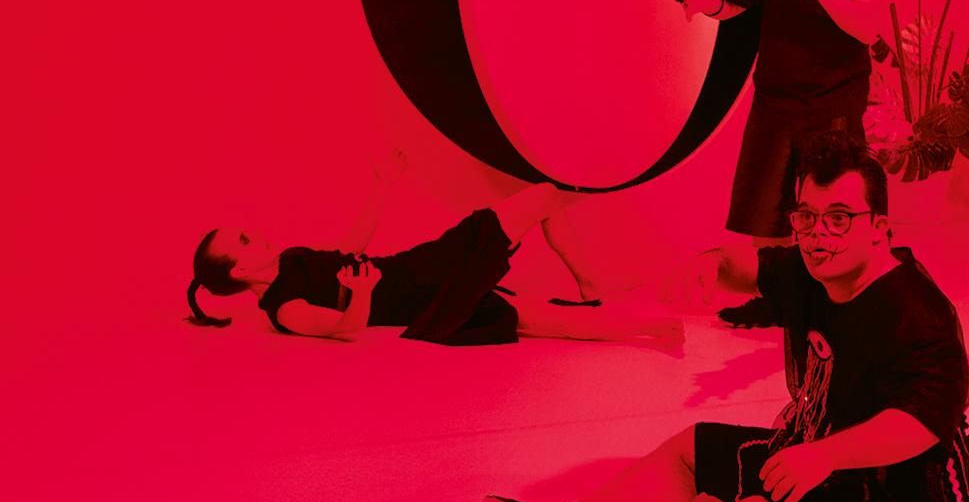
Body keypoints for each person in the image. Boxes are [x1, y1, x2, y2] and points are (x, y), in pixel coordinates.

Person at [479, 144, 969, 502]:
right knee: (693, 449)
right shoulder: (813, 266)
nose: (819, 235)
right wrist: (708, 264)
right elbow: (747, 266)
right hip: (822, 455)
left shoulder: (916, 313)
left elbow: (921, 423)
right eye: (807, 217)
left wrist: (824, 455)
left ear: (879, 229)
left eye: (840, 218)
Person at [184, 151, 680, 345]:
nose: (255, 234)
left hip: (422, 266)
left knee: (543, 197)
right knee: (540, 320)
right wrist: (363, 294)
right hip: (425, 302)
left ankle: (592, 284)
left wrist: (382, 184)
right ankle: (654, 329)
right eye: (243, 241)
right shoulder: (284, 309)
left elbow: (352, 247)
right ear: (239, 271)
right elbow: (345, 329)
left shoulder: (293, 257)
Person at [676, 0, 888, 250]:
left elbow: (868, 29)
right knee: (765, 214)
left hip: (833, 102)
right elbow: (733, 1)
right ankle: (774, 282)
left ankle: (828, 281)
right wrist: (708, 1)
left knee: (834, 210)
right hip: (775, 102)